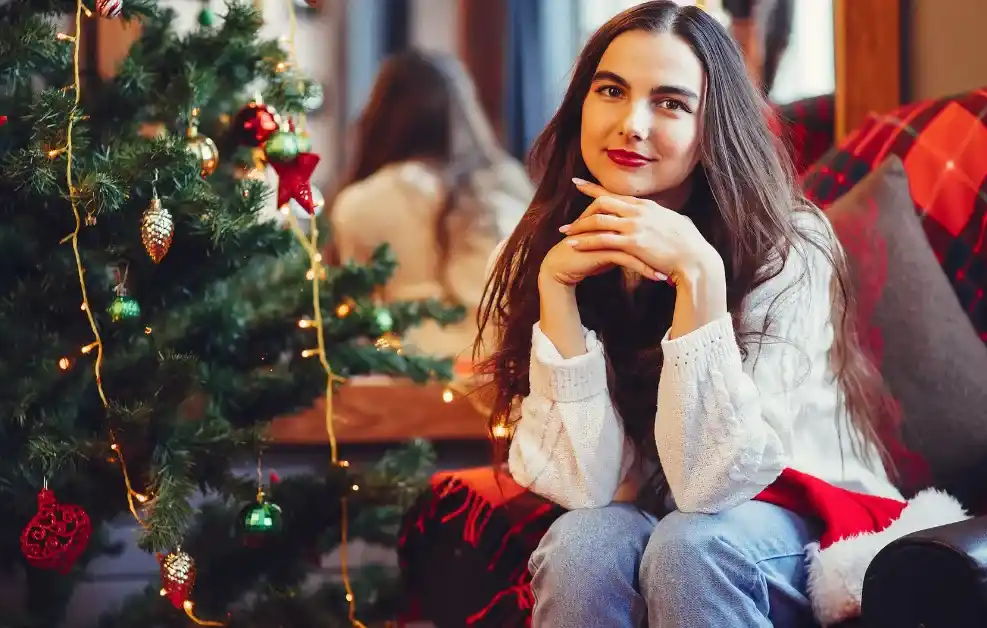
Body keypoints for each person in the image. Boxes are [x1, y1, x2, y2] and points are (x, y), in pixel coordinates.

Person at [474, 2, 900, 626]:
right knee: (580, 544)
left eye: (670, 103)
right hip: (651, 507)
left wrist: (697, 276)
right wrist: (557, 294)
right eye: (611, 91)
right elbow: (581, 490)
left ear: (713, 128)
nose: (632, 124)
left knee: (691, 546)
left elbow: (712, 486)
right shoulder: (544, 244)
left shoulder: (787, 243)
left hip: (799, 510)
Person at [329, 50, 533, 366]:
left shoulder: (360, 202)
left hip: (402, 374)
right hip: (498, 372)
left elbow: (354, 316)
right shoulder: (506, 183)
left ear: (379, 115)